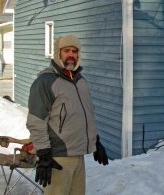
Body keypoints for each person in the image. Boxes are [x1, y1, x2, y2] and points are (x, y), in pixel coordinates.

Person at [26, 34, 108, 195]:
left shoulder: (80, 81)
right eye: (66, 51)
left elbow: (86, 115)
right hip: (57, 158)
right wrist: (43, 154)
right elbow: (36, 121)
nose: (71, 55)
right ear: (58, 53)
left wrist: (96, 142)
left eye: (74, 51)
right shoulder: (46, 81)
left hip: (78, 156)